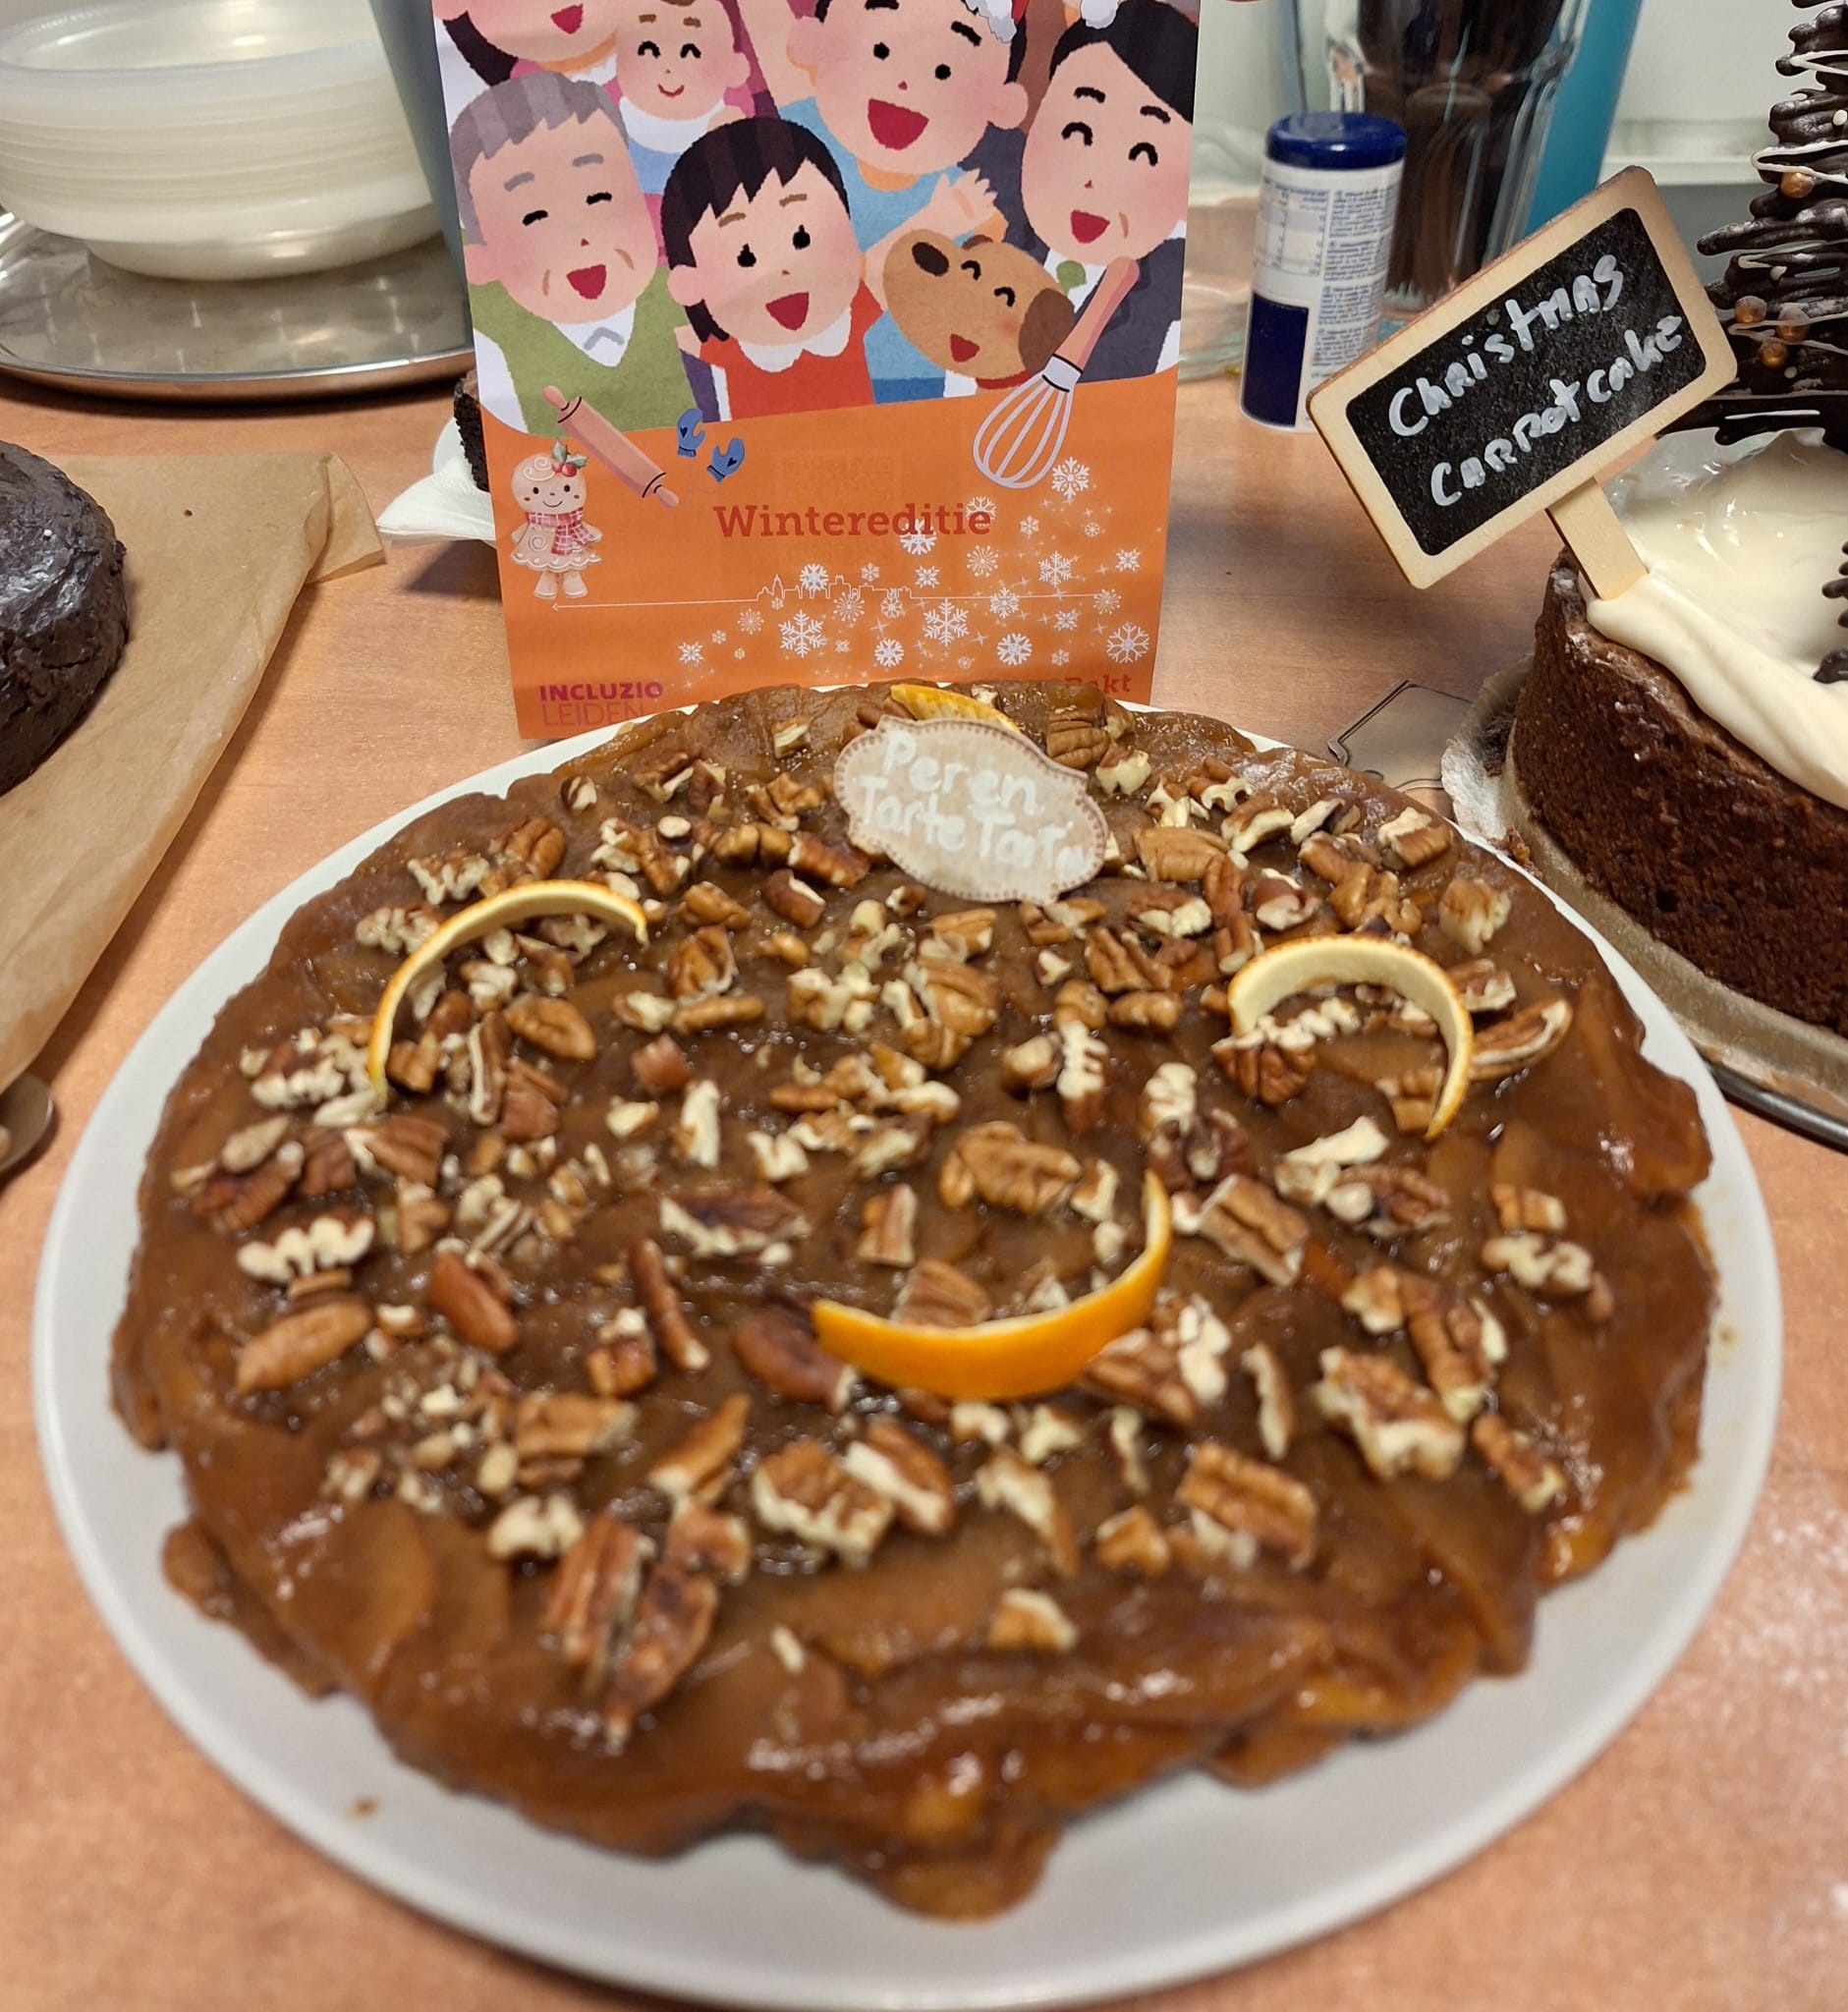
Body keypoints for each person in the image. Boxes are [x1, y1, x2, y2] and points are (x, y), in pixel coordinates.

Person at [734, 0, 1030, 401]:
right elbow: (827, 294)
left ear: (998, 102)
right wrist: (934, 222)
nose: (905, 84)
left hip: (912, 385)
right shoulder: (804, 137)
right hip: (804, 379)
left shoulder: (974, 206)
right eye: (881, 50)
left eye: (943, 71)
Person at [662, 114, 980, 418]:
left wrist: (946, 215)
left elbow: (890, 260)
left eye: (802, 238)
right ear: (689, 284)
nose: (783, 271)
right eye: (746, 257)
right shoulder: (721, 349)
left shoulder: (845, 319)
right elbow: (663, 343)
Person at [450, 72, 696, 436]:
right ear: (482, 260)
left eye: (598, 197)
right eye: (534, 217)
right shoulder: (502, 346)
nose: (581, 238)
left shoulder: (688, 300)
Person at [981, 0, 1197, 381]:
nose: (1095, 179)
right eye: (1078, 133)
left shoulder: (1169, 289)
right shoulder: (994, 211)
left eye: (1143, 154)